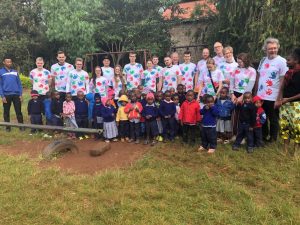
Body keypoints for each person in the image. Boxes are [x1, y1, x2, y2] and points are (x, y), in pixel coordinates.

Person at [256, 38, 288, 143]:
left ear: (278, 48)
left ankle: (273, 138)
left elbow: (283, 81)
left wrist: (279, 98)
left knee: (273, 118)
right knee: (262, 116)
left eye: (275, 48)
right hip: (261, 96)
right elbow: (259, 76)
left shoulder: (282, 61)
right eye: (270, 49)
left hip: (273, 96)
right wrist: (255, 93)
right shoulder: (262, 60)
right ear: (265, 49)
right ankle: (264, 135)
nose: (273, 50)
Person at [275, 48, 300, 153]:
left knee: (297, 128)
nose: (286, 61)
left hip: (296, 105)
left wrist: (287, 99)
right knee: (284, 126)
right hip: (285, 104)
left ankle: (296, 151)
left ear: (296, 61)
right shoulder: (288, 73)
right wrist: (279, 99)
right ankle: (285, 150)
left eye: (289, 60)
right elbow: (282, 87)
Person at [230, 53, 257, 136]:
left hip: (246, 96)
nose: (239, 64)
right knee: (235, 116)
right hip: (235, 93)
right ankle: (235, 134)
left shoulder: (252, 70)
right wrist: (232, 94)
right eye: (238, 62)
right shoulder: (235, 69)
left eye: (240, 62)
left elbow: (250, 85)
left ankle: (244, 136)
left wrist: (242, 97)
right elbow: (231, 82)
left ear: (245, 61)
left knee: (244, 116)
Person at [0, 56, 24, 131]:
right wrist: (2, 96)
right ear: (4, 62)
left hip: (16, 95)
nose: (9, 63)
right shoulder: (1, 72)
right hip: (6, 95)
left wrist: (20, 94)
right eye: (7, 62)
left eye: (10, 62)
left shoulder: (15, 71)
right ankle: (8, 128)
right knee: (6, 112)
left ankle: (22, 127)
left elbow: (19, 83)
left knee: (18, 111)